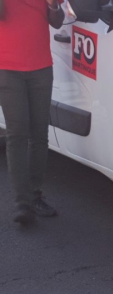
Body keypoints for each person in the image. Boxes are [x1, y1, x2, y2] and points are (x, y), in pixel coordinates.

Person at [0, 0, 63, 225]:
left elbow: (57, 21)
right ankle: (22, 203)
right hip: (7, 68)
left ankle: (35, 195)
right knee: (17, 135)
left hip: (41, 68)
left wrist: (53, 5)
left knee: (39, 135)